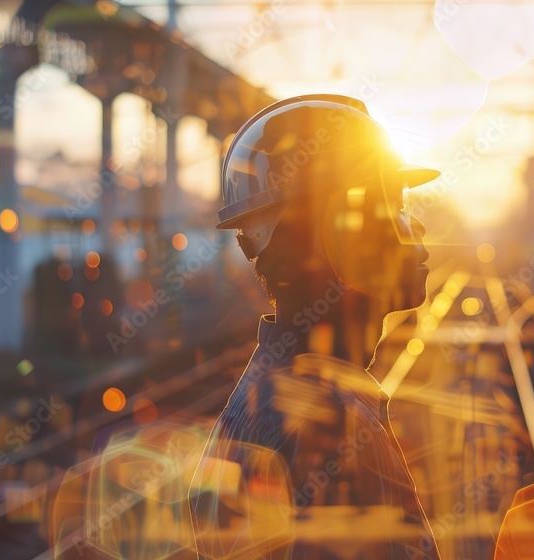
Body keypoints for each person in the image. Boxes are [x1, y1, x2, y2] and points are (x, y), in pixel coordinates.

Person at [189, 94, 443, 560]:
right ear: (335, 234)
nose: (417, 225)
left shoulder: (305, 397)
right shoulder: (319, 427)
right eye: (390, 203)